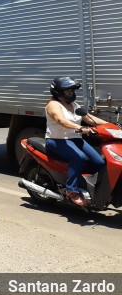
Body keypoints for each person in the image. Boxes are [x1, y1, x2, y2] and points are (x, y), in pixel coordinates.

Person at [45, 76, 106, 206]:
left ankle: (83, 183)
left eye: (72, 91)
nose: (71, 93)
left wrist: (110, 126)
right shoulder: (53, 105)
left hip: (75, 139)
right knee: (79, 157)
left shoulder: (74, 105)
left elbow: (90, 119)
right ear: (58, 91)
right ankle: (72, 190)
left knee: (99, 162)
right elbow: (61, 120)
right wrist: (80, 128)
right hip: (57, 140)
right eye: (68, 91)